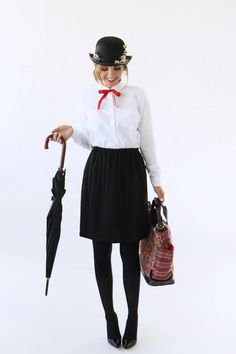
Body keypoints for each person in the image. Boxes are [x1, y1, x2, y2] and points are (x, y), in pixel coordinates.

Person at [50, 36, 165, 349]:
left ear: (124, 65)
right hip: (99, 170)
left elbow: (147, 139)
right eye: (104, 67)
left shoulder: (137, 97)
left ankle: (132, 318)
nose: (111, 73)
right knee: (100, 250)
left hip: (130, 171)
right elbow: (90, 139)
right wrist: (72, 133)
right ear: (95, 67)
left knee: (129, 251)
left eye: (116, 66)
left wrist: (155, 178)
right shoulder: (87, 98)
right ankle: (110, 317)